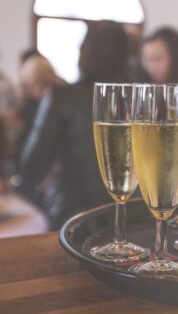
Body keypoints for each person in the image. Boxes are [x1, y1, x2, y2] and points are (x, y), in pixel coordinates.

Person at [19, 20, 130, 229]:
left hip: (73, 216)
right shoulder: (140, 99)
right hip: (131, 215)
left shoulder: (62, 97)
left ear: (84, 51)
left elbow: (32, 163)